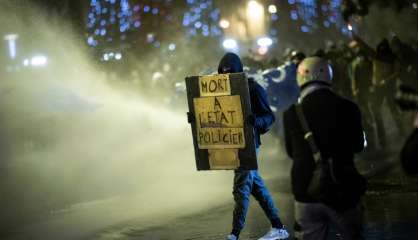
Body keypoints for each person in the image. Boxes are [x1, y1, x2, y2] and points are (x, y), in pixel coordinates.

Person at [283, 57, 367, 240]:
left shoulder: (292, 113)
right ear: (329, 76)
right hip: (342, 188)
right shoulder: (349, 108)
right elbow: (358, 146)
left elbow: (291, 152)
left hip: (305, 191)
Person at [218, 53, 289, 240]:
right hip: (234, 144)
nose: (226, 76)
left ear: (237, 70)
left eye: (230, 72)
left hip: (248, 145)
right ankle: (278, 226)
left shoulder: (254, 89)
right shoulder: (221, 91)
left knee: (241, 187)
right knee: (256, 187)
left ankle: (234, 234)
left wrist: (255, 121)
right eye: (223, 73)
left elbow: (269, 117)